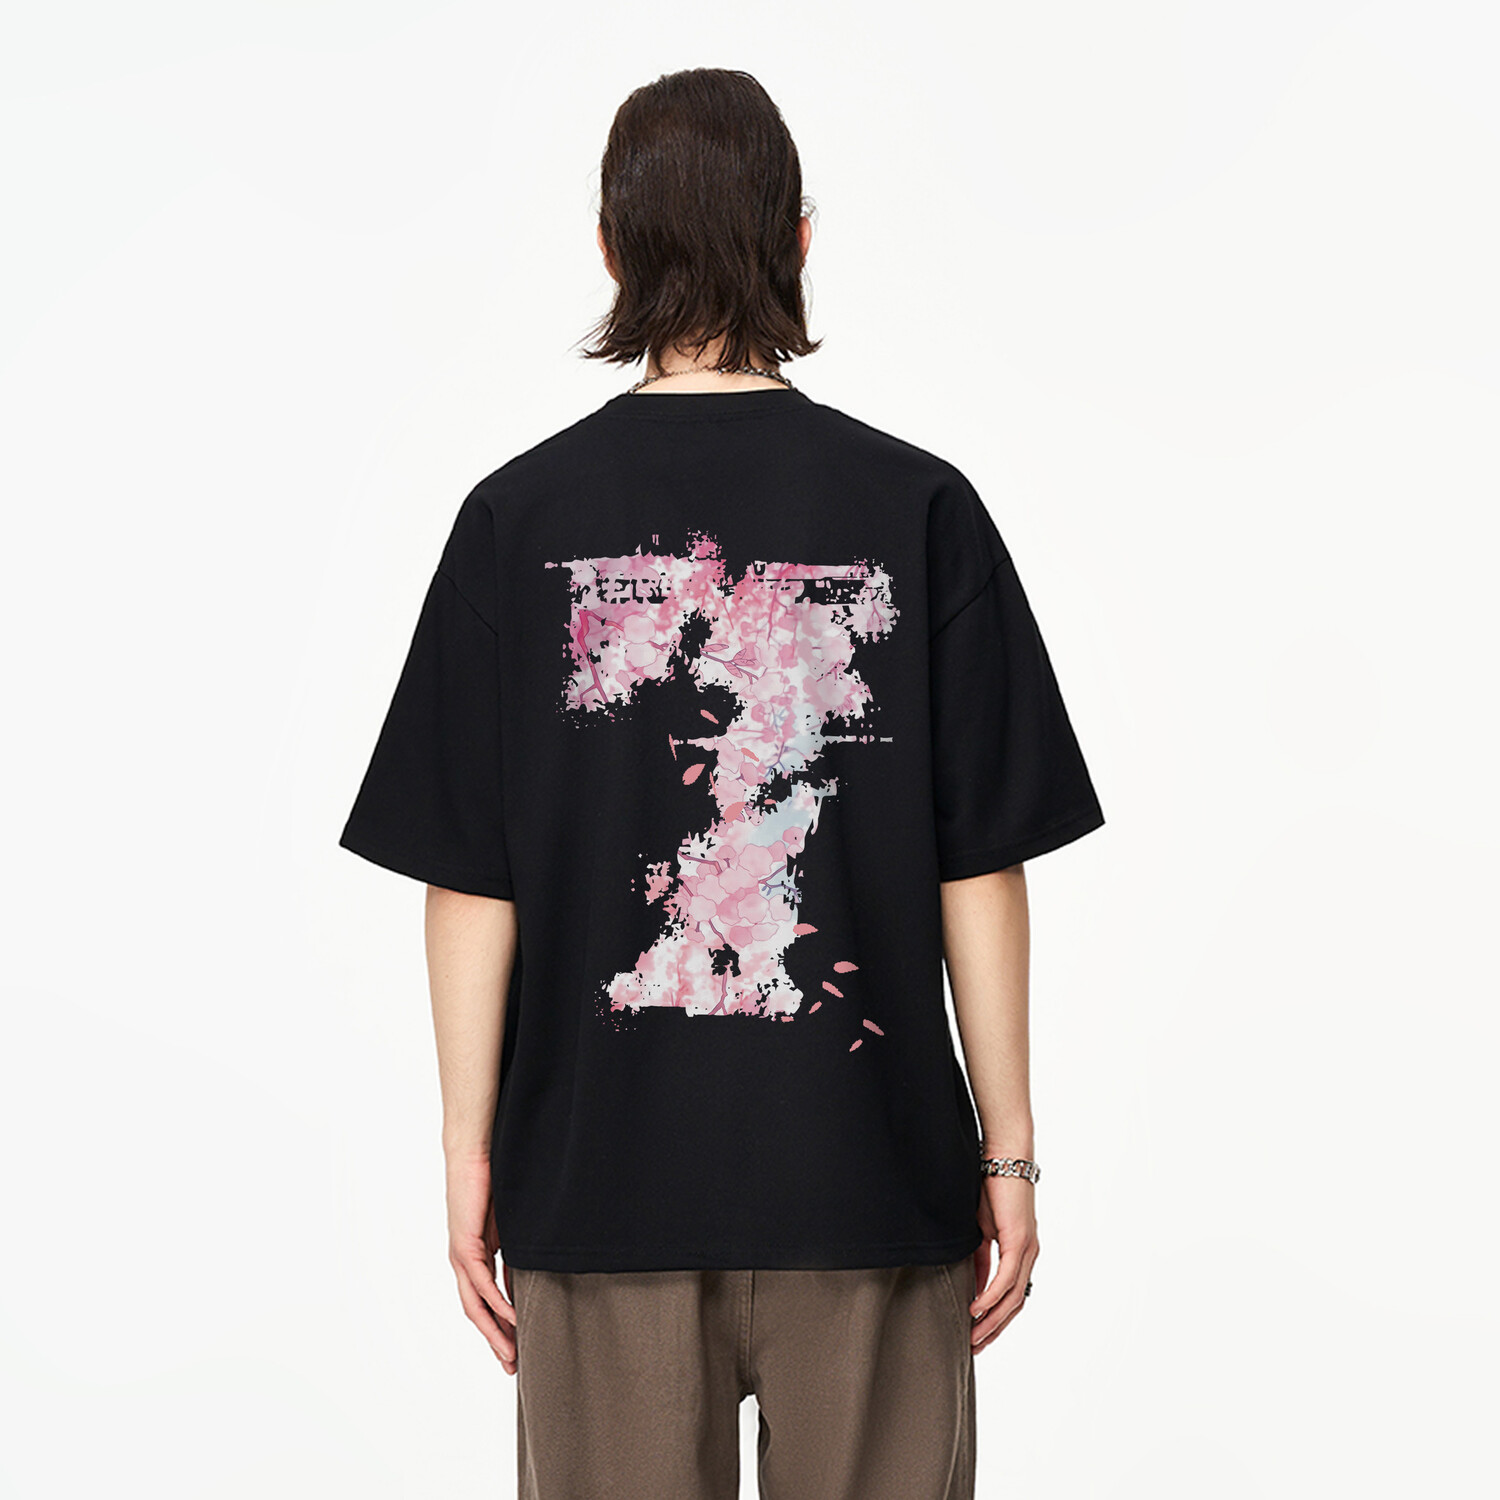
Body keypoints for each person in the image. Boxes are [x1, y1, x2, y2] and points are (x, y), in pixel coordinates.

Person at [338, 66, 1105, 1500]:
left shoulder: (515, 521)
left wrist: (468, 1154)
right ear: (798, 239)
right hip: (869, 1179)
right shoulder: (918, 507)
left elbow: (471, 877)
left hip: (597, 1181)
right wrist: (1009, 1156)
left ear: (611, 250)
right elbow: (979, 865)